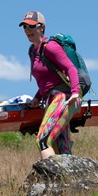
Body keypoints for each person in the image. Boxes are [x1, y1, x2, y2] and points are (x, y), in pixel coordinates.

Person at [20, 11, 82, 159]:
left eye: (31, 26)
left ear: (42, 27)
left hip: (64, 98)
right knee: (61, 146)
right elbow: (47, 81)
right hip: (52, 99)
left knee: (43, 140)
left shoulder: (51, 47)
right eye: (25, 27)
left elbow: (70, 68)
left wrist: (75, 92)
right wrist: (37, 97)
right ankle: (70, 180)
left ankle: (52, 178)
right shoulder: (33, 51)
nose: (28, 31)